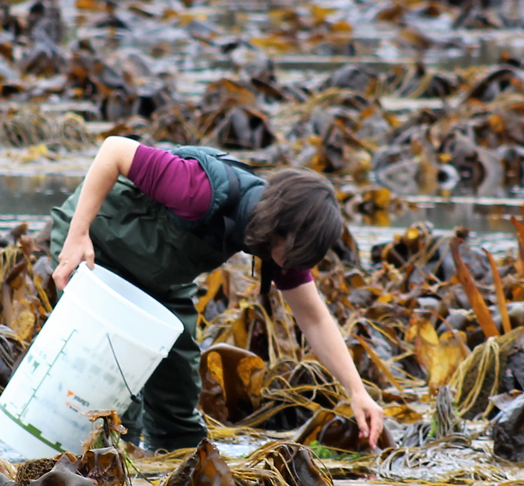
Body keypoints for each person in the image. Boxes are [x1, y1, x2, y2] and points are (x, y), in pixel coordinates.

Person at [48, 136, 385, 452]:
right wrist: (78, 234)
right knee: (121, 395)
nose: (294, 267)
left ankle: (171, 470)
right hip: (97, 247)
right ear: (277, 227)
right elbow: (114, 150)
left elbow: (313, 319)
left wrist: (357, 391)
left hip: (161, 278)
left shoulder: (281, 242)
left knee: (177, 403)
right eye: (296, 256)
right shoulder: (198, 188)